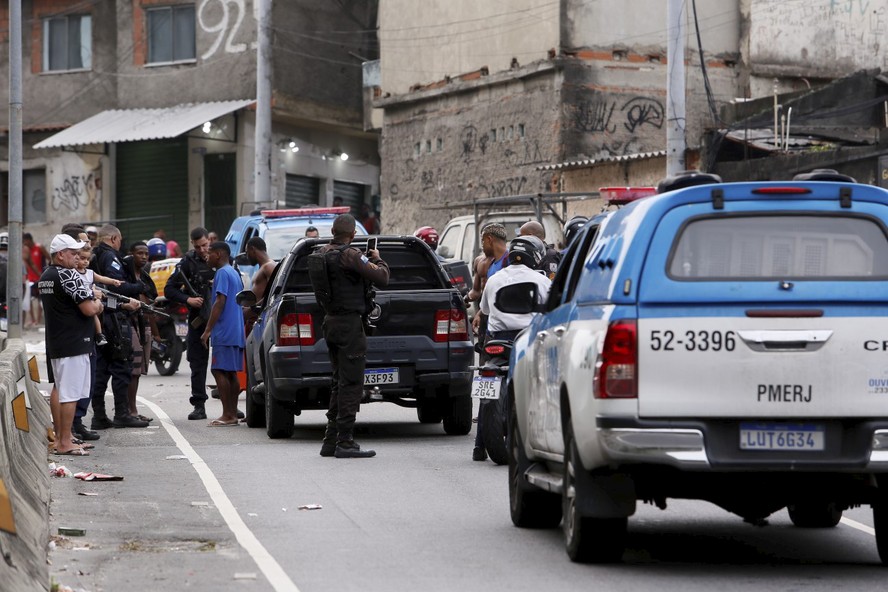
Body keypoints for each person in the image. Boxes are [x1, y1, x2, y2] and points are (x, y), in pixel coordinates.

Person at [312, 214, 389, 458]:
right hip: (349, 326)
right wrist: (380, 261)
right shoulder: (352, 255)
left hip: (330, 322)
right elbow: (382, 278)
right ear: (353, 234)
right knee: (351, 383)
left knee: (338, 381)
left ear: (332, 231)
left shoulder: (321, 253)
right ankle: (345, 442)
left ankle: (330, 440)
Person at [474, 235, 551, 461]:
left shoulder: (495, 279)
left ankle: (479, 447)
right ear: (535, 256)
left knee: (487, 385)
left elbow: (485, 310)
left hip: (498, 342)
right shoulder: (542, 281)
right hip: (530, 340)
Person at [40, 234, 104, 455]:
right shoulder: (69, 275)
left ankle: (60, 439)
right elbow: (88, 309)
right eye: (73, 253)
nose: (77, 258)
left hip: (58, 342)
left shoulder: (46, 275)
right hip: (75, 342)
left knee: (61, 389)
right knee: (71, 394)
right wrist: (97, 302)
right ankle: (66, 442)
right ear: (61, 254)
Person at [89, 224, 149, 430]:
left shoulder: (96, 255)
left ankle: (100, 416)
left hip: (102, 316)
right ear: (114, 238)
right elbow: (118, 286)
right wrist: (139, 287)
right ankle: (121, 414)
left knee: (102, 369)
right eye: (120, 240)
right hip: (113, 318)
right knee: (121, 365)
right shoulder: (109, 257)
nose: (120, 244)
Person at [165, 227, 215, 420]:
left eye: (205, 245)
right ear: (192, 245)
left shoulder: (219, 257)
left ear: (209, 240)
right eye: (198, 246)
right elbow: (170, 289)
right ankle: (199, 405)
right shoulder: (187, 263)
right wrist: (188, 300)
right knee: (197, 362)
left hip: (219, 318)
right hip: (198, 319)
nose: (203, 250)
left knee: (225, 362)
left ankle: (230, 404)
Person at [200, 242, 245, 426]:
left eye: (209, 252)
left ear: (218, 254)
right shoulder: (234, 272)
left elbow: (220, 302)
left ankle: (228, 415)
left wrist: (208, 329)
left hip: (224, 330)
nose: (206, 256)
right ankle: (232, 414)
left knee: (218, 370)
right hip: (235, 329)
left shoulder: (222, 273)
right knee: (230, 372)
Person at [123, 241, 160, 423]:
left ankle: (132, 409)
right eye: (140, 253)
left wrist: (156, 332)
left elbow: (151, 302)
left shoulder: (145, 276)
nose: (144, 257)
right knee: (132, 369)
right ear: (131, 254)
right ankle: (128, 410)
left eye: (146, 253)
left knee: (139, 370)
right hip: (129, 323)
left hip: (144, 322)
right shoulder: (126, 274)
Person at [468, 223, 508, 335]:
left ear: (489, 239)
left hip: (505, 321)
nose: (482, 246)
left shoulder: (510, 260)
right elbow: (482, 293)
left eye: (483, 241)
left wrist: (480, 313)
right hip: (488, 316)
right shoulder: (489, 264)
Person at [23, 233, 50, 327]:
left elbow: (49, 258)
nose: (24, 243)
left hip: (39, 277)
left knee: (41, 298)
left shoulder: (39, 247)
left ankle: (38, 320)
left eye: (25, 241)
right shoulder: (25, 251)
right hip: (29, 278)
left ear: (29, 240)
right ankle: (33, 320)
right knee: (28, 299)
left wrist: (46, 273)